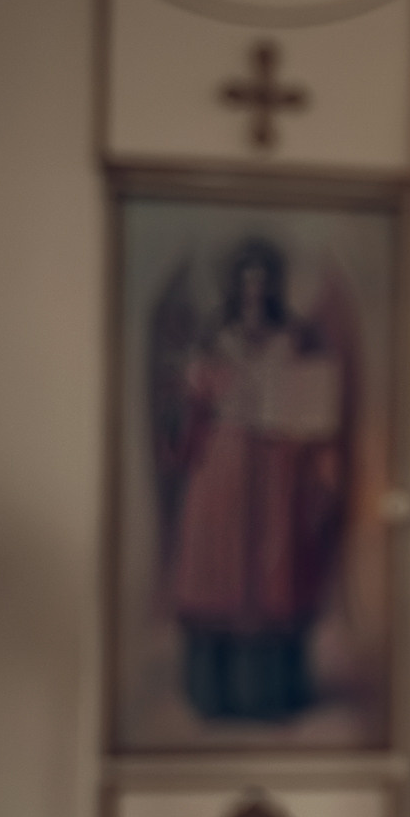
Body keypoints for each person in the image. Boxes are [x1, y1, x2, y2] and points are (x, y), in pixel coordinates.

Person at [156, 237, 356, 723]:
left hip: (278, 469)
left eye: (262, 280)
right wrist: (197, 394)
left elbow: (317, 406)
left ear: (273, 286)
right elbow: (188, 415)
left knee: (274, 572)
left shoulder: (296, 335)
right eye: (246, 280)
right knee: (216, 570)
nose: (254, 290)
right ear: (234, 285)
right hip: (220, 468)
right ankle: (215, 694)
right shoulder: (214, 335)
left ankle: (271, 696)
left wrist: (312, 446)